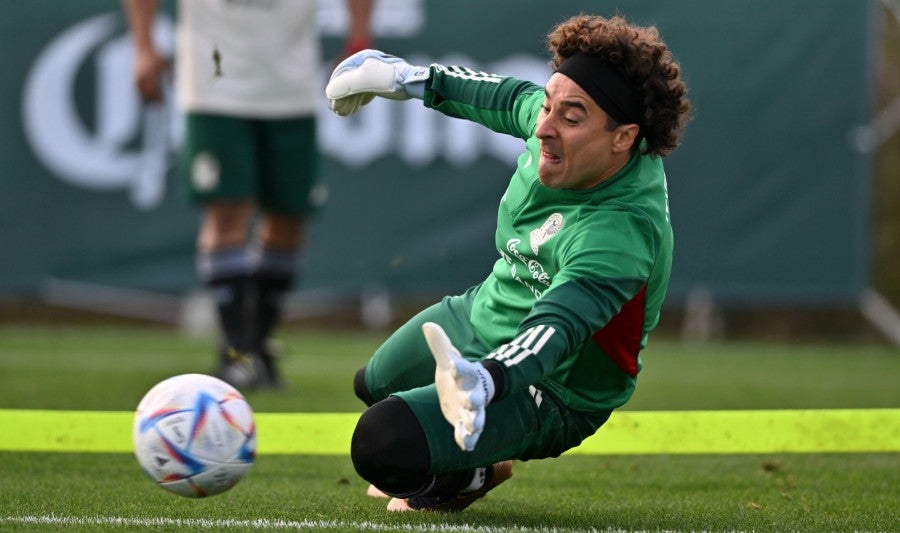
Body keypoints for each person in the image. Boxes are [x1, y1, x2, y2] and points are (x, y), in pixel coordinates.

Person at [325, 14, 690, 512]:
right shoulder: (561, 128)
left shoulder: (621, 230)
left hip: (557, 384)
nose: (543, 127)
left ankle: (474, 474)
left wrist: (489, 378)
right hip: (486, 312)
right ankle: (468, 453)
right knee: (374, 384)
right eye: (548, 105)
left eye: (571, 117)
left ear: (624, 137)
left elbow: (557, 328)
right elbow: (500, 95)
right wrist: (408, 78)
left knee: (382, 444)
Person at [123, 0, 374, 389]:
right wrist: (143, 46)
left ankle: (256, 345)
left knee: (289, 219)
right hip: (214, 83)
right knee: (227, 214)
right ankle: (237, 351)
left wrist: (358, 37)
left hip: (291, 84)